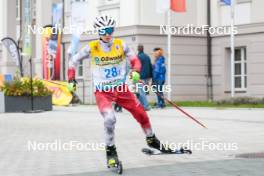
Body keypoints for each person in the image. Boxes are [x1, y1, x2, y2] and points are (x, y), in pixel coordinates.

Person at [68, 15, 171, 168]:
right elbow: (73, 61)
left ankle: (151, 139)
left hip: (121, 89)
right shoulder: (92, 47)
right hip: (102, 91)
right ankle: (110, 153)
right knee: (110, 119)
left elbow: (135, 60)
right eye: (104, 30)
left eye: (110, 30)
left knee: (141, 113)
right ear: (99, 31)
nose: (108, 34)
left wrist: (136, 70)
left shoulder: (120, 45)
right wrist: (71, 79)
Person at [136, 45, 151, 110]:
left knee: (141, 92)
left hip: (141, 77)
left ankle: (146, 106)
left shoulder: (138, 57)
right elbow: (150, 66)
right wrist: (150, 77)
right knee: (141, 92)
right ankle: (141, 105)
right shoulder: (147, 57)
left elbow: (137, 67)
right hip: (147, 77)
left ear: (138, 49)